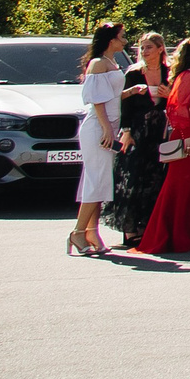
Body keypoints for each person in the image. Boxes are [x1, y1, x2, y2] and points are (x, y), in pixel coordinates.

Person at [137, 37, 190, 253]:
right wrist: (187, 135)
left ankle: (187, 232)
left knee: (189, 186)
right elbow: (177, 107)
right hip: (186, 136)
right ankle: (170, 234)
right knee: (178, 185)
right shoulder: (187, 76)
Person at [70, 21, 127, 257]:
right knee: (97, 181)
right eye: (122, 37)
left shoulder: (112, 63)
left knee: (98, 180)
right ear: (111, 40)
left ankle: (91, 232)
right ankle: (78, 232)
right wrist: (106, 129)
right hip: (98, 127)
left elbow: (112, 95)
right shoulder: (98, 64)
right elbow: (97, 99)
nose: (125, 41)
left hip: (108, 126)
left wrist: (131, 92)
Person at [110, 32, 169, 249]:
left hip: (157, 131)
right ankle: (129, 229)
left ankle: (146, 226)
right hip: (136, 130)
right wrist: (126, 131)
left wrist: (169, 94)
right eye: (142, 48)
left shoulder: (168, 72)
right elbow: (124, 104)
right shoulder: (134, 73)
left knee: (152, 178)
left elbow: (173, 102)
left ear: (160, 49)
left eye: (149, 47)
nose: (144, 52)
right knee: (131, 176)